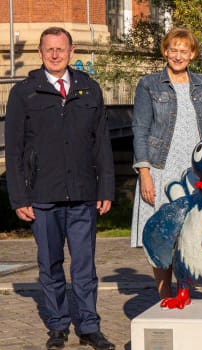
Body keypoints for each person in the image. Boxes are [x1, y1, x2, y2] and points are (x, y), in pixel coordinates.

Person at [4, 27, 115, 350]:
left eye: (61, 49)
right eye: (49, 49)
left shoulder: (89, 89)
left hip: (83, 194)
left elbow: (101, 146)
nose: (55, 54)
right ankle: (57, 326)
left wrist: (105, 188)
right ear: (40, 52)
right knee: (50, 264)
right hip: (42, 195)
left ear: (71, 51)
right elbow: (13, 151)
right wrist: (19, 197)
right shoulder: (25, 92)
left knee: (84, 265)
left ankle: (89, 325)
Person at [130, 27, 202, 299]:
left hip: (194, 170)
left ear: (192, 54)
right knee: (161, 233)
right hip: (160, 168)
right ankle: (164, 290)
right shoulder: (149, 84)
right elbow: (140, 129)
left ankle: (184, 288)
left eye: (184, 51)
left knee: (190, 232)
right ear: (165, 51)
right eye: (173, 50)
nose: (178, 56)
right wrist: (144, 174)